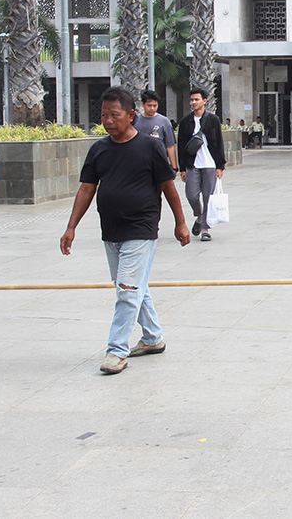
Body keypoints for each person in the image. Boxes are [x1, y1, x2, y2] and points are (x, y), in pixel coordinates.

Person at [60, 87, 191, 374]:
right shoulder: (99, 149)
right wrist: (71, 227)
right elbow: (86, 189)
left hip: (141, 228)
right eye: (104, 115)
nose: (108, 120)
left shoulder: (149, 147)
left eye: (114, 115)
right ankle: (153, 338)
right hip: (111, 230)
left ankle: (116, 351)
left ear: (131, 115)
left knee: (127, 290)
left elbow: (168, 187)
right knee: (131, 286)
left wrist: (180, 222)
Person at [177, 87, 226, 243]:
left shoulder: (213, 120)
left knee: (208, 197)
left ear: (204, 101)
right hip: (193, 164)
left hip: (210, 164)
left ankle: (205, 229)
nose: (193, 102)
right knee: (191, 194)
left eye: (197, 99)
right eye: (192, 100)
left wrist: (220, 166)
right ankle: (199, 215)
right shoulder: (186, 122)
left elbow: (219, 143)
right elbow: (181, 146)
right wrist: (182, 168)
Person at [134, 89, 178, 171]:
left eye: (155, 105)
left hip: (159, 163)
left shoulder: (164, 121)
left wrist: (174, 167)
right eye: (149, 105)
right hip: (140, 164)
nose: (152, 108)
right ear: (143, 104)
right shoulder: (135, 121)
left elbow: (170, 146)